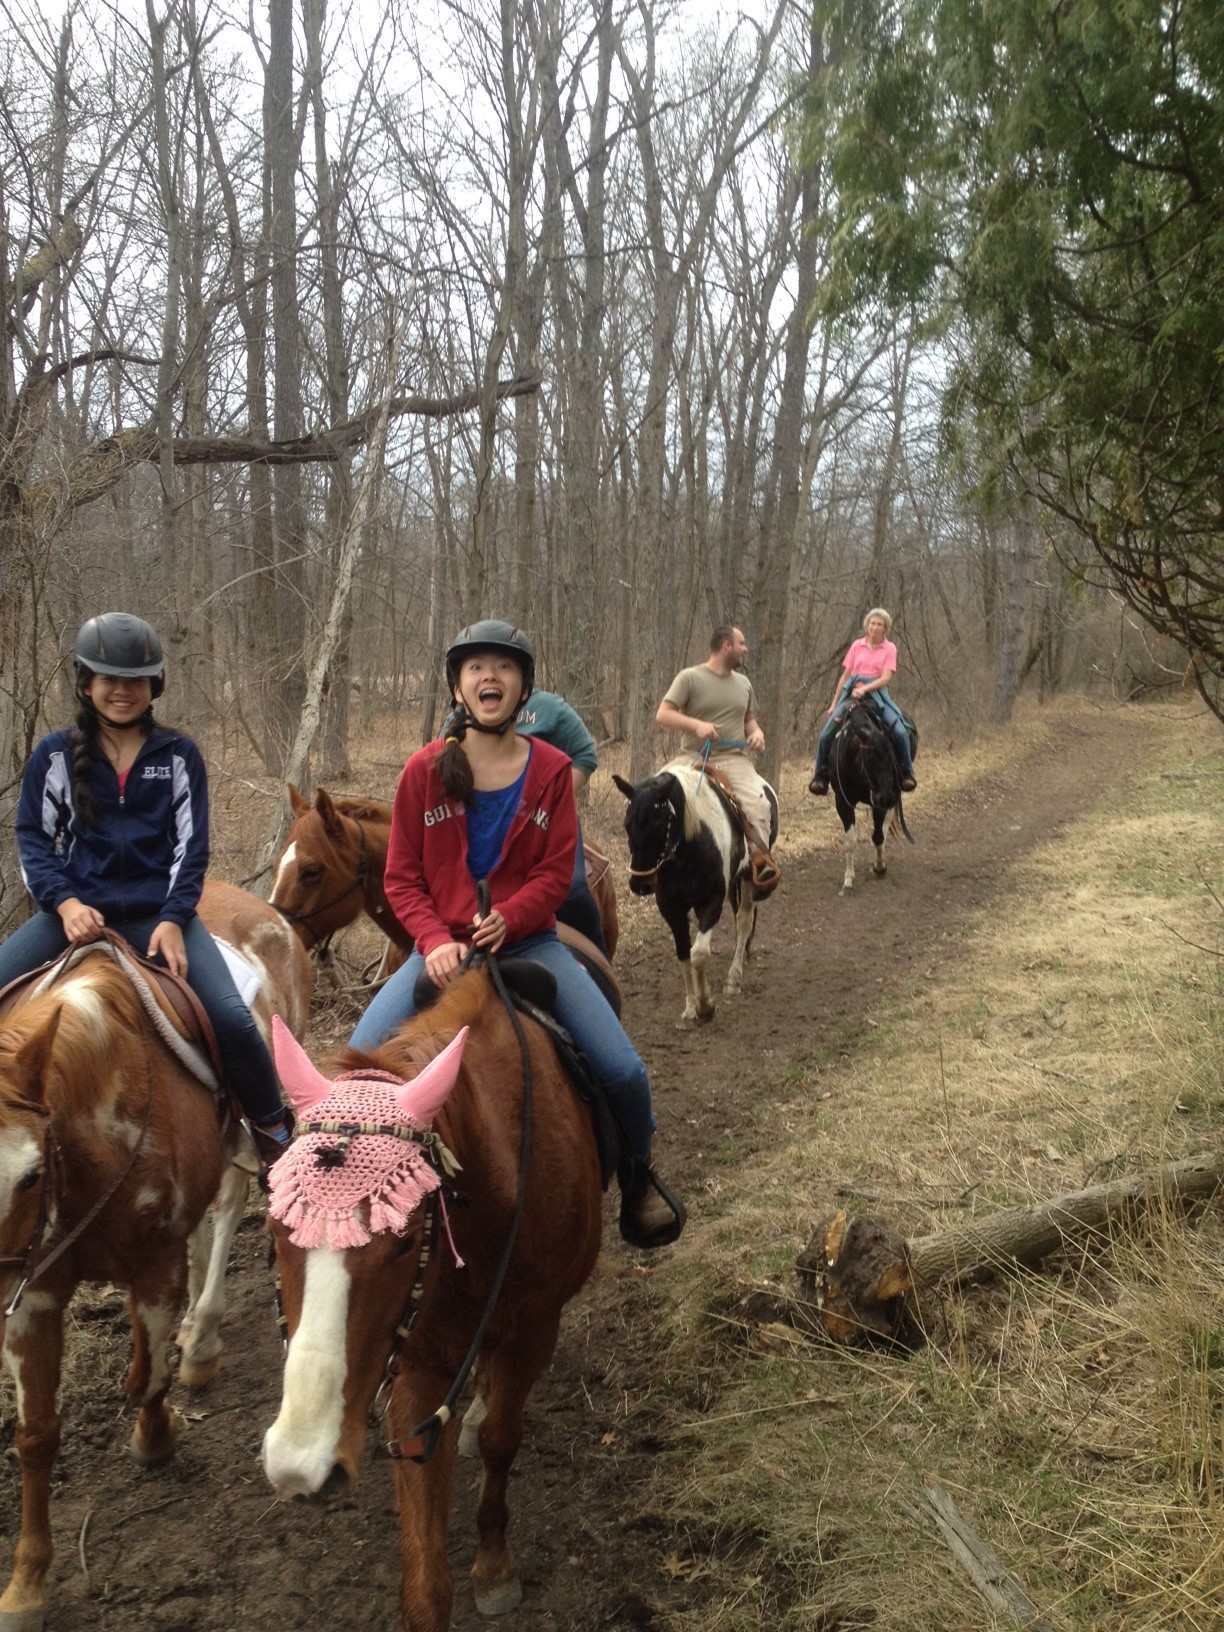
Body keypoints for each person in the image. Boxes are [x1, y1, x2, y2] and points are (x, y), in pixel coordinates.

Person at [350, 620, 683, 1249]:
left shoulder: (553, 771)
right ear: (458, 686)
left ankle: (639, 1180)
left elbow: (557, 873)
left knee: (624, 1069)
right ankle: (340, 1209)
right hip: (441, 953)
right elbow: (401, 878)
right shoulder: (421, 771)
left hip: (529, 945)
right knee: (354, 1076)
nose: (489, 677)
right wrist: (432, 940)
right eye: (475, 668)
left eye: (503, 667)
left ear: (523, 687)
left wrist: (516, 917)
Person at [0, 613, 291, 1157]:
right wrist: (64, 904)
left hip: (157, 916)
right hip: (73, 916)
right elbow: (34, 840)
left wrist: (174, 919)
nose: (122, 691)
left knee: (230, 1016)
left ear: (153, 687)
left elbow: (192, 848)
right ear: (85, 683)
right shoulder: (55, 756)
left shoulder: (178, 755)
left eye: (135, 680)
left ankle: (275, 1134)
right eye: (109, 679)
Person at [656, 624, 780, 892]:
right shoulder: (689, 678)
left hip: (734, 759)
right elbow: (663, 714)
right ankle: (652, 865)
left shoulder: (744, 683)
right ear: (727, 646)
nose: (745, 649)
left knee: (758, 803)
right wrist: (697, 726)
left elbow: (749, 719)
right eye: (742, 644)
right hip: (692, 756)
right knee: (653, 795)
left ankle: (759, 864)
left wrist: (757, 733)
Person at [512, 687, 608, 954]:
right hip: (480, 822)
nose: (492, 675)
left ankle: (600, 971)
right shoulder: (461, 715)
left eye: (506, 665)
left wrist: (553, 800)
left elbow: (586, 755)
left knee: (574, 889)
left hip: (545, 822)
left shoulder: (549, 708)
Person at [809, 607, 917, 795]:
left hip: (877, 696)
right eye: (872, 624)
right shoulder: (857, 646)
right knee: (826, 733)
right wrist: (834, 704)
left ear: (885, 629)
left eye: (880, 625)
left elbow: (885, 678)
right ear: (867, 626)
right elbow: (844, 677)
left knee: (900, 731)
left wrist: (864, 689)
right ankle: (821, 776)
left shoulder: (889, 648)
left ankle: (906, 773)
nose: (875, 627)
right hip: (851, 696)